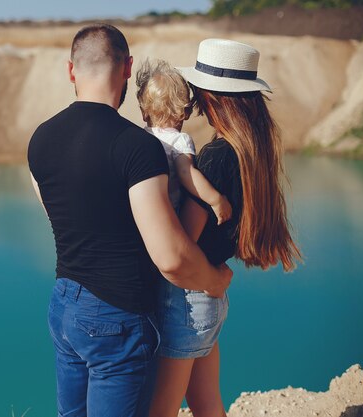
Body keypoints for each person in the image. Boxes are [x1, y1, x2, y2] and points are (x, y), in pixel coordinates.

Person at [27, 24, 232, 417]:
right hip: (116, 317)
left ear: (71, 70)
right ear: (128, 68)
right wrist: (214, 280)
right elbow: (170, 257)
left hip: (64, 306)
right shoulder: (138, 147)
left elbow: (61, 216)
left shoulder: (40, 138)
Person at [148, 39, 302, 417]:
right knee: (206, 402)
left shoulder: (215, 157)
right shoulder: (248, 148)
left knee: (160, 409)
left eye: (197, 90)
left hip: (187, 298)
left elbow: (183, 241)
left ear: (211, 96)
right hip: (210, 300)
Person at [135, 59, 232, 223]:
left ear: (144, 112)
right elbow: (186, 173)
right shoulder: (179, 141)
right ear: (185, 112)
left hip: (141, 214)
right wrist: (216, 200)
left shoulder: (140, 138)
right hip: (169, 215)